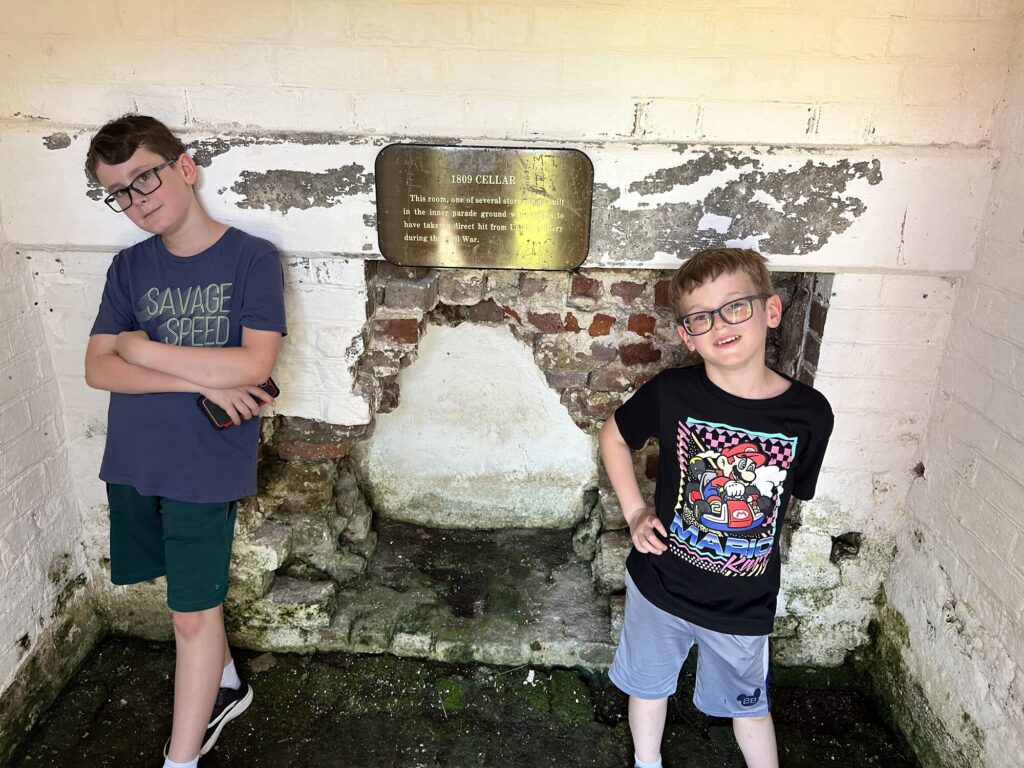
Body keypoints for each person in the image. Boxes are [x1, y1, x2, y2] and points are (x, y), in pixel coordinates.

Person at [84, 115, 287, 768]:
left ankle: (180, 758)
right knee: (182, 588)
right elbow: (98, 368)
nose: (137, 199)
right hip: (136, 458)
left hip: (206, 462)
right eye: (120, 191)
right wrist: (191, 376)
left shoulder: (251, 258)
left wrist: (144, 349)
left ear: (186, 167)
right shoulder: (127, 267)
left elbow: (253, 367)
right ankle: (226, 686)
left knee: (192, 617)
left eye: (145, 178)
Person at [599, 248, 833, 768]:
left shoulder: (809, 415)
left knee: (750, 707)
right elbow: (614, 438)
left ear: (770, 311)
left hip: (742, 602)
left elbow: (781, 500)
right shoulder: (672, 392)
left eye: (735, 307)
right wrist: (636, 511)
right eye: (700, 318)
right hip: (661, 585)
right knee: (649, 686)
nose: (720, 325)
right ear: (686, 335)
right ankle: (646, 761)